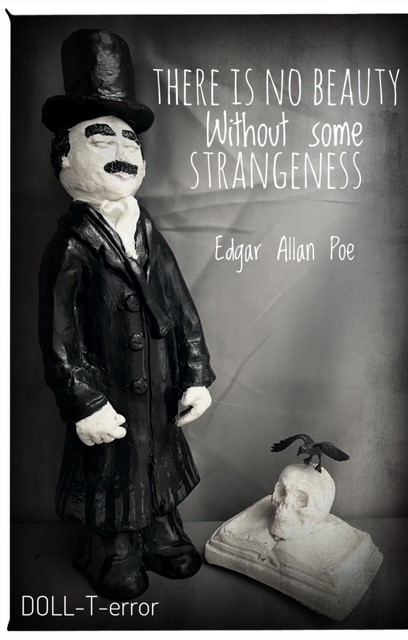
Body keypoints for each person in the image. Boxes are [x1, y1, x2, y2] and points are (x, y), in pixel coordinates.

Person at [39, 29, 215, 601]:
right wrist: (84, 402)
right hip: (110, 393)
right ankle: (112, 548)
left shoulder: (148, 231)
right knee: (114, 474)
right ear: (65, 156)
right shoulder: (71, 245)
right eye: (101, 135)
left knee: (156, 464)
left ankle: (161, 532)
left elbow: (181, 304)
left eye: (130, 138)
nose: (122, 148)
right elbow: (58, 336)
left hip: (159, 391)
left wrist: (195, 373)